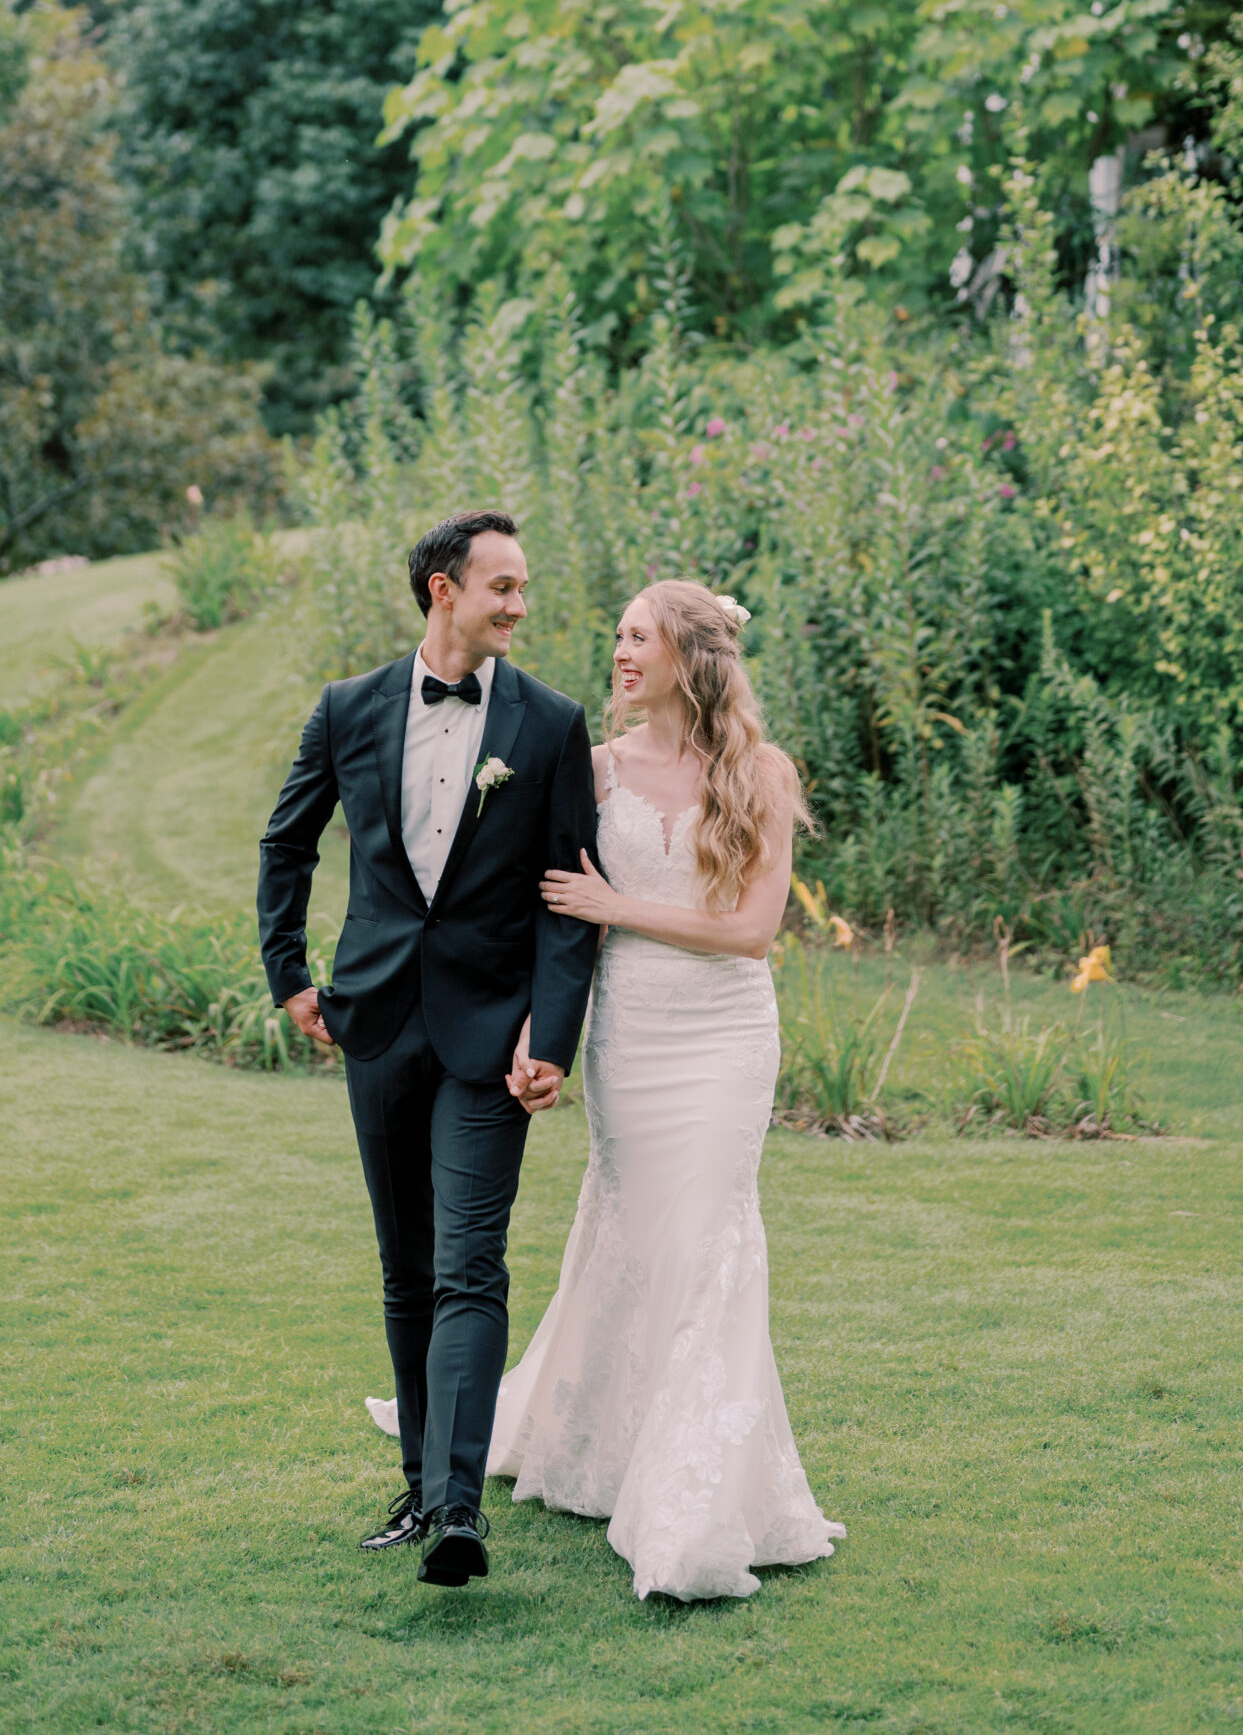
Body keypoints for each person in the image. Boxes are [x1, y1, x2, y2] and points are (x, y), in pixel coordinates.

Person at [369, 578, 844, 1602]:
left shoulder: (759, 772)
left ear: (689, 656)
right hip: (627, 1033)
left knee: (709, 1236)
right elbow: (549, 925)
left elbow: (752, 930)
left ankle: (693, 1496)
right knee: (632, 1229)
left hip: (722, 1035)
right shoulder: (588, 769)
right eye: (618, 635)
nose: (620, 653)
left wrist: (613, 901)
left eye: (639, 637)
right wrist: (539, 1038)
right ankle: (610, 1443)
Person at [257, 509, 599, 1587]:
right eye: (501, 585)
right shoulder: (348, 707)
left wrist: (553, 1032)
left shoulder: (549, 724)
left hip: (492, 1035)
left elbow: (566, 900)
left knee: (468, 1263)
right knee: (406, 1269)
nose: (519, 605)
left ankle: (458, 1508)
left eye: (523, 586)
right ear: (442, 590)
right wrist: (291, 976)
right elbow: (287, 840)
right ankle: (417, 1483)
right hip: (374, 1017)